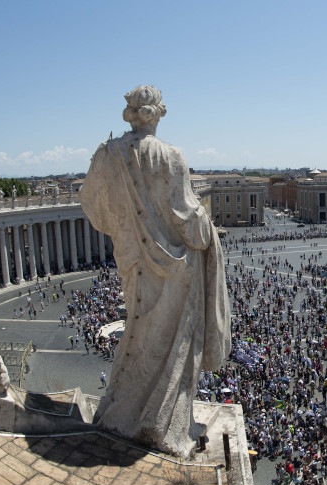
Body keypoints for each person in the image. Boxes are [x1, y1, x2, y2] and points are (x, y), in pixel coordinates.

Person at [82, 85, 231, 458]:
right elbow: (190, 220)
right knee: (172, 346)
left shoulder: (105, 155)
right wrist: (210, 234)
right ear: (158, 115)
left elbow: (91, 205)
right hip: (176, 271)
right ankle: (161, 423)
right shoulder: (170, 157)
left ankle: (123, 414)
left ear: (129, 114)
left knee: (138, 337)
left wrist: (124, 229)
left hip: (133, 262)